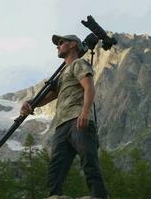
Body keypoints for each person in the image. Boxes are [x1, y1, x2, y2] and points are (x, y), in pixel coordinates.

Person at [20, 35, 108, 198]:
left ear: (73, 45)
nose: (57, 46)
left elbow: (89, 87)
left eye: (61, 43)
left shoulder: (79, 64)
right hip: (62, 126)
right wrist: (30, 102)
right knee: (56, 169)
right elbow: (47, 97)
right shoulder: (60, 76)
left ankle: (99, 195)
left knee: (89, 160)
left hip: (77, 119)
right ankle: (54, 196)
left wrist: (85, 113)